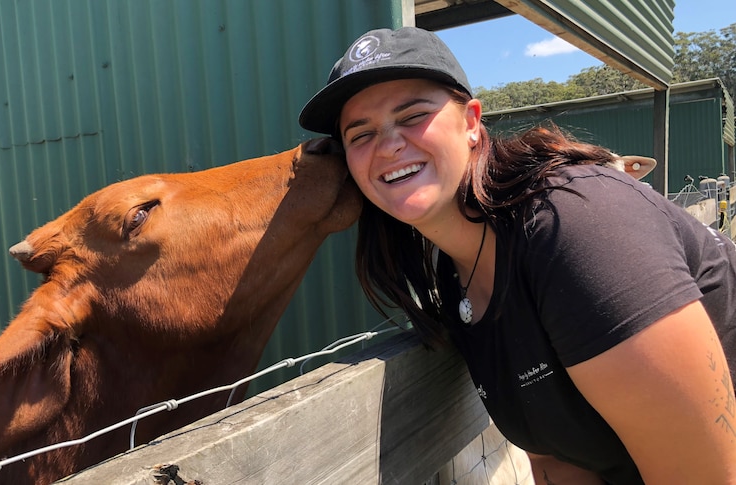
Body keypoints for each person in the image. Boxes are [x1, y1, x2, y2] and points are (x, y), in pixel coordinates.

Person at [299, 26, 736, 484]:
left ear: (471, 123)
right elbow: (555, 459)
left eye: (411, 115)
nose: (388, 145)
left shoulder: (574, 222)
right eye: (360, 134)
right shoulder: (455, 277)